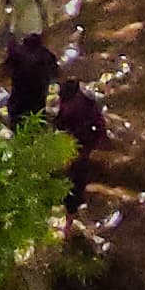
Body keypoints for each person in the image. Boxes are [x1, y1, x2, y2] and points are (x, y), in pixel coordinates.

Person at [51, 80, 110, 215]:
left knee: (75, 179)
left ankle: (71, 212)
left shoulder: (80, 105)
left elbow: (98, 124)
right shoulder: (78, 103)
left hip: (80, 145)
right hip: (77, 144)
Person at [5, 33, 61, 122]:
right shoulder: (47, 55)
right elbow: (55, 73)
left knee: (17, 119)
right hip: (38, 99)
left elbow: (7, 67)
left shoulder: (17, 53)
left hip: (18, 98)